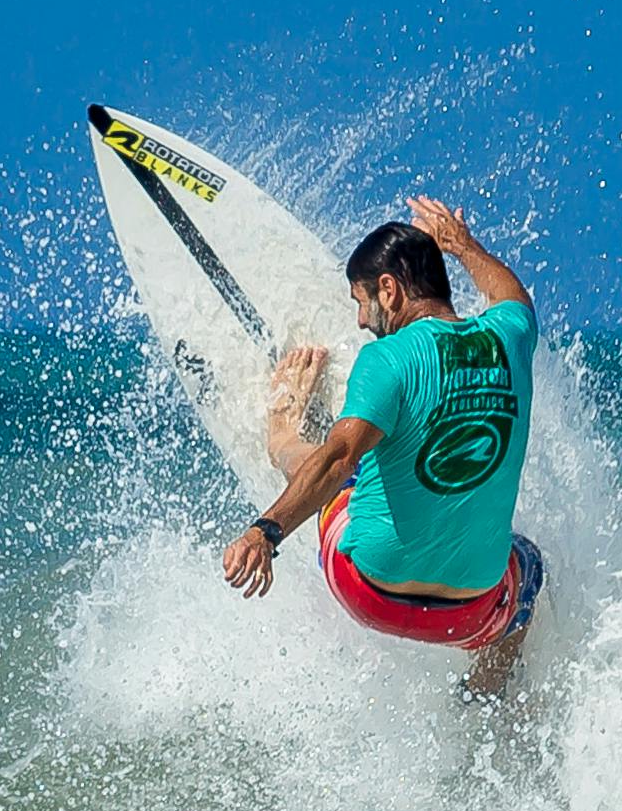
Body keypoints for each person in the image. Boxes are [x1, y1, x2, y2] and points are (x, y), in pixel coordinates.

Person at [220, 198, 545, 695]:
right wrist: (462, 245)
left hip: (367, 588)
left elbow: (339, 458)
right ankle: (483, 691)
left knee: (347, 473)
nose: (359, 320)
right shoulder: (511, 338)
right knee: (531, 564)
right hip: (472, 614)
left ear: (389, 291)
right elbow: (512, 295)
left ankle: (282, 428)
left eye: (360, 300)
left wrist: (266, 532)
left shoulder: (387, 359)